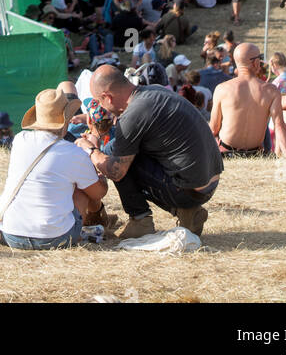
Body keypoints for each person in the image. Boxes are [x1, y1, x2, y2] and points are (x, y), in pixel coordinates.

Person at [82, 64, 223, 238]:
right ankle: (187, 212)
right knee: (117, 147)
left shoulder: (133, 114)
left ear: (107, 97)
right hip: (209, 182)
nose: (101, 107)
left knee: (112, 152)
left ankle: (140, 221)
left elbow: (116, 171)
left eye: (99, 101)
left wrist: (90, 149)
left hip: (190, 190)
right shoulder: (154, 91)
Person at [0, 88, 107, 250]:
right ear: (66, 119)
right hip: (54, 238)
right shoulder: (73, 153)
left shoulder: (20, 140)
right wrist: (93, 155)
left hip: (10, 234)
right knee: (82, 188)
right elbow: (98, 193)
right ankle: (92, 224)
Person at [210, 43, 286, 158]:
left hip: (226, 153)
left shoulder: (222, 89)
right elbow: (279, 126)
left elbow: (213, 129)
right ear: (256, 62)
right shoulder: (271, 91)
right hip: (255, 155)